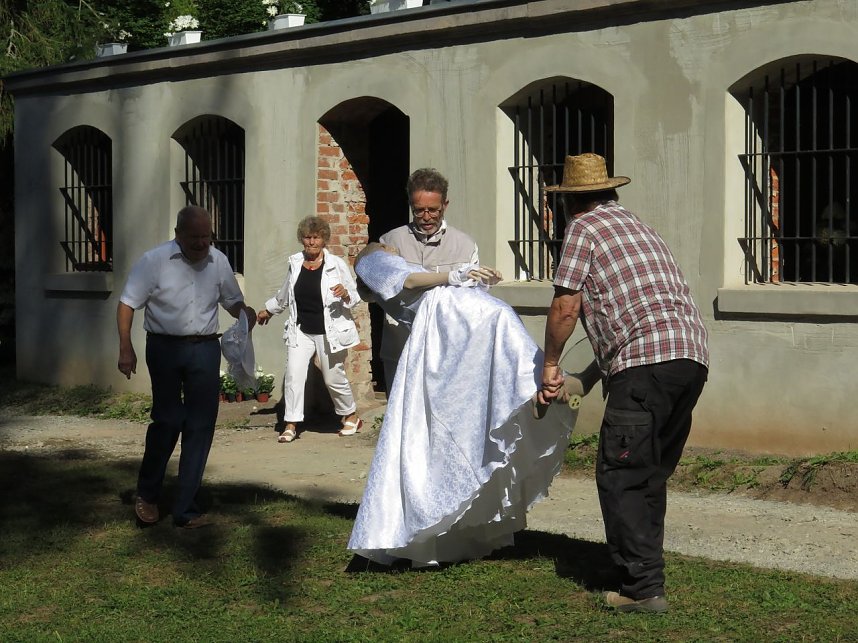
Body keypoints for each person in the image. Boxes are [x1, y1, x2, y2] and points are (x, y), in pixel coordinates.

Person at [538, 153, 710, 614]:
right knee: (650, 474)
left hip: (646, 367)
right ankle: (640, 572)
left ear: (570, 201)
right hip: (690, 359)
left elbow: (566, 307)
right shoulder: (636, 227)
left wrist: (550, 364)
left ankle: (642, 589)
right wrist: (586, 380)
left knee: (622, 475)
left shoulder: (583, 228)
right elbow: (634, 320)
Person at [347, 243, 580, 567]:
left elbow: (413, 283)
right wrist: (455, 274)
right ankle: (545, 384)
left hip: (455, 319)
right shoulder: (374, 261)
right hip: (454, 316)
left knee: (497, 355)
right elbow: (410, 282)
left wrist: (466, 278)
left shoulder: (391, 268)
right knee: (502, 342)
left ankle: (541, 386)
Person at [117, 205, 256, 528]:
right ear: (178, 235)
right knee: (167, 420)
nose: (200, 244)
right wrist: (126, 347)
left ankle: (186, 508)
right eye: (193, 237)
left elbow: (232, 301)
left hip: (205, 349)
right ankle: (148, 494)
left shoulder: (218, 261)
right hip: (164, 348)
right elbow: (127, 303)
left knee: (200, 426)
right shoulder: (154, 261)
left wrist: (246, 314)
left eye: (206, 237)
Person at [256, 216, 363, 443]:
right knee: (294, 376)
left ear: (324, 239)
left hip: (329, 330)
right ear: (301, 239)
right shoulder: (295, 263)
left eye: (316, 238)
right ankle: (291, 424)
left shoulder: (336, 264)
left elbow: (355, 297)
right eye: (307, 237)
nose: (311, 242)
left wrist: (345, 294)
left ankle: (350, 414)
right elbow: (285, 293)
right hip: (301, 329)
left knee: (333, 377)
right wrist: (268, 310)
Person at [374, 168, 479, 393]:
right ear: (411, 205)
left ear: (445, 205)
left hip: (448, 351)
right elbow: (372, 293)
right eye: (419, 210)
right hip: (401, 347)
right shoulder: (390, 241)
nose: (426, 217)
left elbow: (473, 301)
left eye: (433, 210)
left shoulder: (465, 245)